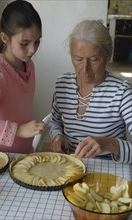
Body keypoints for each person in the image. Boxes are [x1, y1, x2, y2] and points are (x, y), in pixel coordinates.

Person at [48, 20, 132, 164]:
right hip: (69, 168)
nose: (85, 69)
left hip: (107, 175)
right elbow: (55, 121)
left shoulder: (122, 93)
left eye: (94, 60)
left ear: (108, 55)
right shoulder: (63, 85)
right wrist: (57, 136)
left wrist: (111, 144)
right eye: (78, 59)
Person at [0, 0, 45, 153]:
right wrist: (17, 130)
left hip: (24, 153)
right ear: (5, 38)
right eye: (24, 43)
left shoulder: (29, 65)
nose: (32, 50)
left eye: (37, 41)